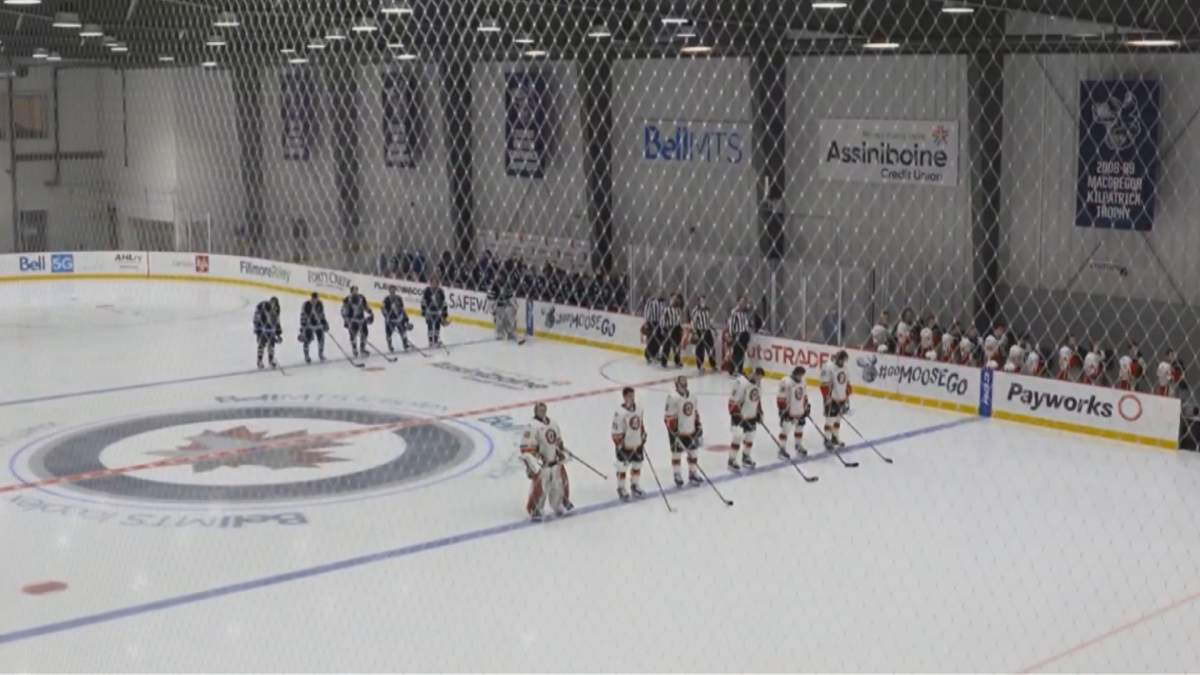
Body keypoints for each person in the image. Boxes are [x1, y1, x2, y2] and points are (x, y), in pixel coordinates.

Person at [519, 402, 573, 521]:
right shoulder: (531, 426)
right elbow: (526, 448)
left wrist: (561, 450)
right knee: (540, 488)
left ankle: (559, 504)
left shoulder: (553, 423)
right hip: (542, 464)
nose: (542, 412)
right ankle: (536, 509)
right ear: (535, 411)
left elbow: (557, 441)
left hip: (555, 462)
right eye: (540, 410)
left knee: (558, 485)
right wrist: (531, 463)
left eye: (544, 409)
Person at [664, 375, 703, 488]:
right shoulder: (672, 397)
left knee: (693, 452)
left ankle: (693, 473)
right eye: (682, 381)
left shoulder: (692, 396)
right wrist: (674, 432)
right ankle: (677, 474)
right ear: (677, 384)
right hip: (677, 432)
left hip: (690, 429)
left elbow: (695, 412)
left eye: (685, 381)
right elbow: (668, 417)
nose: (684, 383)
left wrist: (698, 425)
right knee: (676, 454)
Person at [611, 387, 647, 501]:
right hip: (625, 445)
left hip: (637, 443)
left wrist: (643, 434)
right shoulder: (619, 413)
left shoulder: (639, 409)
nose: (632, 397)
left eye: (633, 395)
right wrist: (619, 444)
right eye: (629, 396)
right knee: (622, 467)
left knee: (637, 464)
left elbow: (640, 424)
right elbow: (615, 431)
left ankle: (635, 485)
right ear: (624, 397)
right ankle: (621, 488)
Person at [727, 367, 763, 471]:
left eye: (760, 378)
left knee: (750, 437)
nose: (758, 380)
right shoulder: (741, 382)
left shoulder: (757, 384)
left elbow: (757, 400)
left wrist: (760, 413)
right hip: (739, 417)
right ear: (753, 373)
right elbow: (732, 401)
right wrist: (736, 414)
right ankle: (731, 460)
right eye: (757, 377)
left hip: (751, 416)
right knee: (737, 437)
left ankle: (746, 457)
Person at [819, 350, 852, 450]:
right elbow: (824, 385)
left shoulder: (846, 368)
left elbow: (848, 384)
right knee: (830, 419)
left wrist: (847, 398)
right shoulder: (829, 367)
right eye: (841, 360)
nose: (842, 362)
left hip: (842, 398)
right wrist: (827, 398)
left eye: (844, 360)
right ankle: (827, 439)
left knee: (838, 419)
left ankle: (835, 437)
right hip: (832, 398)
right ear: (837, 358)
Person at [777, 366, 811, 458]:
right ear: (795, 373)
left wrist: (806, 406)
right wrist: (782, 410)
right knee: (786, 430)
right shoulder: (786, 381)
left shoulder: (803, 381)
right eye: (799, 375)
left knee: (800, 428)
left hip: (800, 409)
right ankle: (782, 449)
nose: (801, 377)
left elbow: (805, 395)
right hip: (788, 410)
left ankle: (798, 445)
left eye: (802, 375)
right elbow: (780, 397)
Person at [341, 285, 374, 358]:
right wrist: (346, 319)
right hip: (352, 320)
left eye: (356, 290)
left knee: (365, 333)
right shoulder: (347, 299)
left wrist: (370, 312)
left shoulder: (361, 298)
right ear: (351, 291)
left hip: (362, 320)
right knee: (353, 335)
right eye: (354, 290)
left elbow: (366, 306)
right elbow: (343, 310)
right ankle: (354, 349)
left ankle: (362, 349)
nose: (355, 291)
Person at [489, 264, 519, 342]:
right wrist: (492, 308)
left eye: (501, 276)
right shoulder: (494, 286)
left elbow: (510, 296)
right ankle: (499, 333)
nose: (499, 277)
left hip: (506, 304)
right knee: (499, 318)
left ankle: (510, 333)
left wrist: (514, 305)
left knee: (510, 316)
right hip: (499, 305)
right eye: (499, 275)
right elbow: (491, 298)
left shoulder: (507, 284)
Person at [298, 292, 329, 364]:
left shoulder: (320, 304)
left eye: (316, 298)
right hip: (308, 326)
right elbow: (302, 315)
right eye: (314, 299)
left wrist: (325, 323)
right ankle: (306, 355)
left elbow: (322, 315)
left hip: (318, 325)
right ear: (311, 298)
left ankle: (321, 354)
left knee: (321, 339)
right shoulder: (306, 304)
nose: (315, 300)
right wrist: (303, 326)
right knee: (307, 340)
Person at [727, 297, 754, 377]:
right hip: (737, 334)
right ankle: (732, 370)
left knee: (742, 353)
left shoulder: (745, 311)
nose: (743, 303)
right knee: (736, 353)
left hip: (744, 334)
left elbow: (750, 306)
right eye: (741, 302)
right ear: (737, 302)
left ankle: (740, 370)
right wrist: (731, 335)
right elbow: (731, 324)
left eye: (743, 302)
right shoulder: (734, 312)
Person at [381, 285, 413, 353]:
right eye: (391, 290)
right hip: (390, 320)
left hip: (399, 318)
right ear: (389, 291)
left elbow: (402, 309)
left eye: (393, 290)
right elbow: (383, 309)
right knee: (388, 334)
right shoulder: (386, 299)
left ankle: (405, 344)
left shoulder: (399, 298)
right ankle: (390, 346)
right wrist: (386, 316)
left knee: (403, 332)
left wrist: (406, 319)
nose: (392, 291)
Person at [690, 296, 717, 374]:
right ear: (698, 302)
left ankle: (713, 365)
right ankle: (700, 365)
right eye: (701, 301)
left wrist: (714, 330)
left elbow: (709, 321)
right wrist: (694, 333)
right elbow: (693, 323)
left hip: (707, 331)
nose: (703, 302)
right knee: (700, 350)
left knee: (711, 348)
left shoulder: (707, 310)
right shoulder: (695, 311)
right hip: (699, 331)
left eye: (704, 300)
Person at [253, 296, 282, 369]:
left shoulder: (276, 309)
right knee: (261, 345)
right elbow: (256, 318)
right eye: (272, 303)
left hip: (270, 330)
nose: (273, 305)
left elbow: (277, 321)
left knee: (271, 345)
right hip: (261, 329)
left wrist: (278, 333)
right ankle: (259, 361)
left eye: (275, 304)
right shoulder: (262, 306)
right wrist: (257, 329)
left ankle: (271, 360)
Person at [421, 276, 449, 347]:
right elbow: (423, 301)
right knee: (430, 325)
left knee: (437, 326)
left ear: (437, 283)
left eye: (435, 282)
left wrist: (444, 315)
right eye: (433, 282)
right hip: (429, 311)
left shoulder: (440, 291)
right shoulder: (427, 291)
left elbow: (443, 303)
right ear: (430, 283)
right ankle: (430, 341)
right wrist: (423, 310)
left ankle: (436, 341)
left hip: (438, 312)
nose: (434, 284)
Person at [661, 293, 685, 368]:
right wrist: (663, 329)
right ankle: (663, 362)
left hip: (676, 328)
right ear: (670, 299)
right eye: (673, 298)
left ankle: (677, 361)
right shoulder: (667, 309)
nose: (675, 300)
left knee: (677, 346)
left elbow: (680, 319)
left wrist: (680, 328)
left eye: (676, 298)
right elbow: (663, 320)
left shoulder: (678, 308)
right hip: (669, 328)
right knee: (666, 346)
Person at [642, 291, 666, 366]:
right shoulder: (651, 302)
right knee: (651, 339)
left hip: (659, 323)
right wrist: (646, 322)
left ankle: (655, 354)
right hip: (652, 322)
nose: (660, 295)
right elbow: (646, 311)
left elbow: (663, 313)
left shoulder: (663, 303)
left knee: (659, 339)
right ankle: (648, 355)